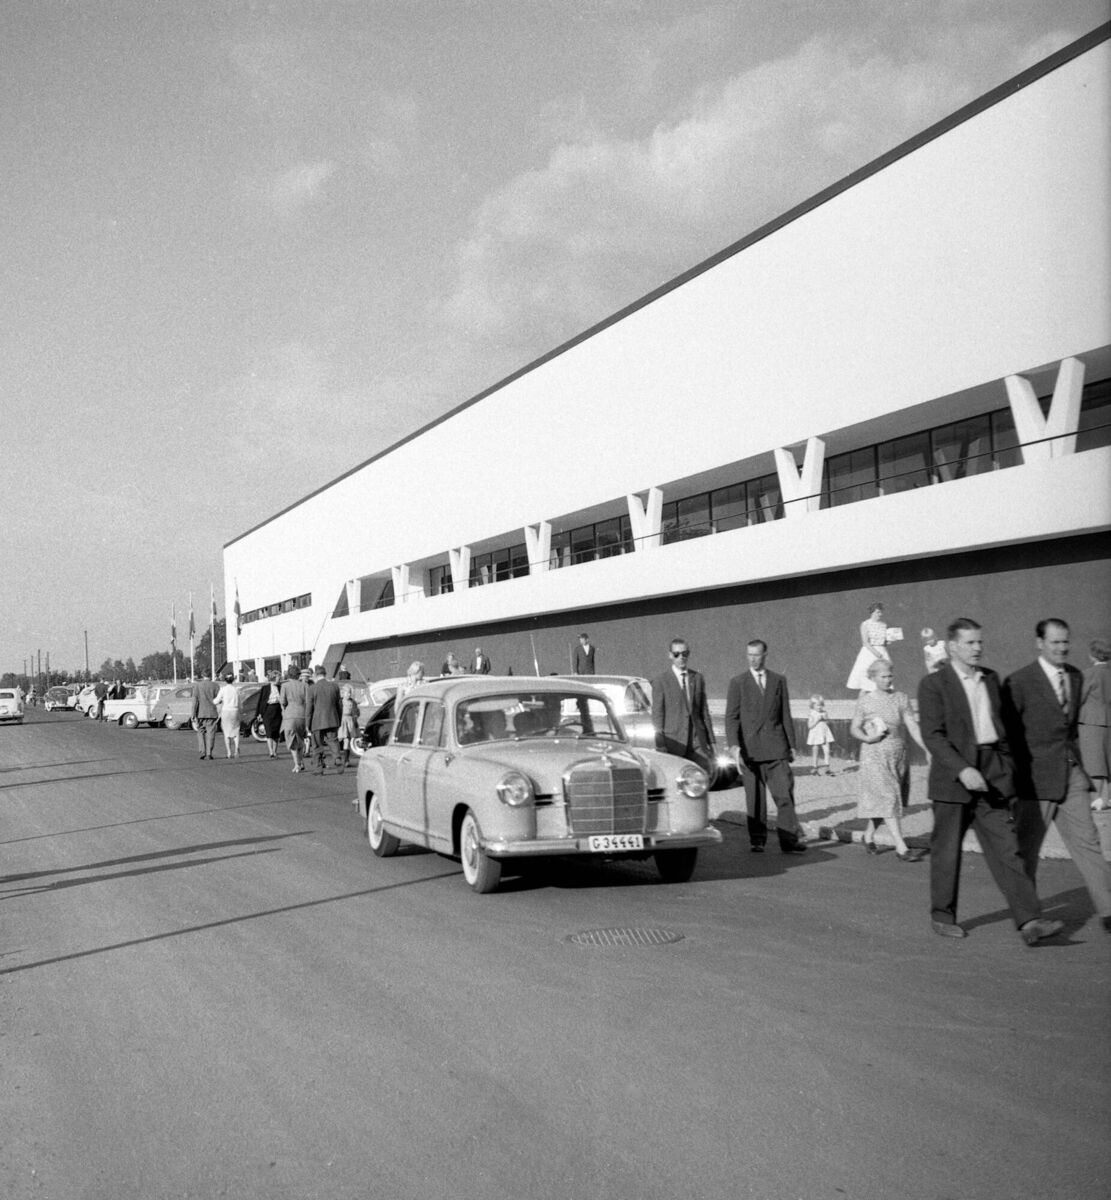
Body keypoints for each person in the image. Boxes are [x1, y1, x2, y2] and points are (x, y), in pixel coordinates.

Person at [917, 617, 1061, 944]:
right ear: (953, 646)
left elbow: (1004, 727)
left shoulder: (992, 679)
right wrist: (962, 769)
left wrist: (1006, 767)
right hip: (954, 779)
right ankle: (942, 915)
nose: (977, 648)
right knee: (947, 850)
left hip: (993, 773)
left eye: (979, 642)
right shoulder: (934, 684)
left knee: (1007, 849)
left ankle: (1030, 921)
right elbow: (933, 736)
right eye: (970, 643)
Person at [1003, 620, 1111, 934]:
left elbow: (1073, 728)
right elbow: (1008, 737)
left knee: (1089, 843)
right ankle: (1029, 918)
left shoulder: (1076, 677)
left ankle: (1108, 911)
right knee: (1028, 850)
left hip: (1072, 776)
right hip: (1035, 781)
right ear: (1039, 643)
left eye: (1065, 642)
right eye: (1054, 643)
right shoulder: (1020, 681)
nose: (1062, 648)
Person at [725, 639, 806, 854]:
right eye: (749, 654)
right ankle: (757, 840)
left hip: (776, 748)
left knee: (784, 795)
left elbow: (785, 714)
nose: (753, 659)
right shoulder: (738, 682)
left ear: (765, 655)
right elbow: (731, 719)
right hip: (750, 751)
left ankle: (789, 840)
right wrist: (734, 747)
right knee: (755, 799)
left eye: (757, 655)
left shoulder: (778, 680)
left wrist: (792, 744)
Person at [850, 659, 929, 860]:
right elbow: (854, 728)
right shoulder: (865, 700)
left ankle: (868, 836)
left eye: (890, 676)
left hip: (898, 753)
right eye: (883, 676)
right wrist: (867, 737)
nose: (887, 680)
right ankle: (901, 846)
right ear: (873, 678)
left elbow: (912, 725)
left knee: (887, 799)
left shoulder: (901, 698)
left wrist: (927, 748)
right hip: (874, 754)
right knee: (888, 797)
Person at [651, 638, 715, 768]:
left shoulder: (697, 678)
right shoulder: (661, 681)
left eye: (684, 654)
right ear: (670, 655)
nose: (681, 657)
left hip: (697, 744)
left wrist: (711, 742)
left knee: (703, 781)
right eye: (676, 654)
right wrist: (660, 744)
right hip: (674, 744)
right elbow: (657, 716)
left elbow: (704, 713)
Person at [1079, 637, 1111, 811]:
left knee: (1094, 762)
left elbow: (1079, 698)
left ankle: (1097, 798)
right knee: (1109, 759)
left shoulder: (1088, 674)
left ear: (1093, 655)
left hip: (1091, 722)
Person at [306, 665, 343, 775]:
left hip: (317, 721)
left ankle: (318, 768)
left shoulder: (312, 688)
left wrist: (307, 724)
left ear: (316, 675)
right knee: (333, 741)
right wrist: (339, 720)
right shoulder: (334, 686)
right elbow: (339, 705)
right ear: (325, 674)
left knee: (317, 745)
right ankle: (338, 759)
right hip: (332, 719)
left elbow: (309, 708)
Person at [847, 602, 891, 692]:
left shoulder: (884, 625)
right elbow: (865, 642)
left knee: (884, 676)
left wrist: (888, 641)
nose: (880, 614)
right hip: (869, 652)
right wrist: (877, 653)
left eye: (881, 612)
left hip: (882, 651)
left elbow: (884, 641)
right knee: (866, 680)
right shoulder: (865, 624)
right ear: (872, 612)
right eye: (878, 612)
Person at [280, 664, 309, 774]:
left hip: (290, 715)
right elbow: (308, 701)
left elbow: (283, 702)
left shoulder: (285, 686)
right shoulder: (305, 685)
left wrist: (283, 711)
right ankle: (301, 762)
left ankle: (296, 764)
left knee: (291, 740)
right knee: (300, 739)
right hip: (302, 714)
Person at [190, 671, 220, 760]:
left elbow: (195, 701)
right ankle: (209, 753)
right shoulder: (216, 686)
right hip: (212, 712)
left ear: (202, 675)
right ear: (211, 675)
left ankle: (202, 751)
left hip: (200, 713)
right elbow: (219, 700)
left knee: (200, 731)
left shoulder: (198, 686)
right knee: (211, 732)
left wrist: (192, 713)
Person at [212, 672, 241, 759]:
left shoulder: (223, 689)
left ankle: (229, 752)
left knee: (226, 732)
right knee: (236, 731)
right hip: (235, 710)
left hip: (226, 711)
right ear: (233, 680)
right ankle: (236, 749)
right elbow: (240, 703)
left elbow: (216, 701)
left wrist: (214, 701)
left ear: (225, 680)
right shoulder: (236, 690)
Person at [256, 670, 284, 759]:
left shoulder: (281, 687)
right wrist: (259, 713)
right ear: (273, 678)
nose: (280, 680)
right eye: (279, 678)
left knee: (276, 732)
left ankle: (275, 752)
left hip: (277, 710)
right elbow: (260, 701)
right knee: (269, 731)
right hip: (268, 710)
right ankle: (271, 752)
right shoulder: (265, 688)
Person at [336, 670, 360, 769]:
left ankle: (346, 760)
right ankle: (338, 758)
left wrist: (355, 718)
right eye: (346, 692)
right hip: (341, 721)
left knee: (347, 740)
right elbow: (337, 711)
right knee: (339, 740)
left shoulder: (352, 702)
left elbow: (356, 712)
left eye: (350, 693)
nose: (348, 694)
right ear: (343, 693)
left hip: (349, 721)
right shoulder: (340, 702)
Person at [806, 695, 835, 775]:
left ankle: (827, 768)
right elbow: (809, 726)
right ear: (812, 705)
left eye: (821, 705)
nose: (819, 707)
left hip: (824, 733)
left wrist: (826, 719)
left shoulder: (824, 712)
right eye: (817, 705)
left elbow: (828, 722)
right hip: (815, 734)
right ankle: (815, 768)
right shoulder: (812, 713)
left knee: (827, 750)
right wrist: (817, 720)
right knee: (815, 751)